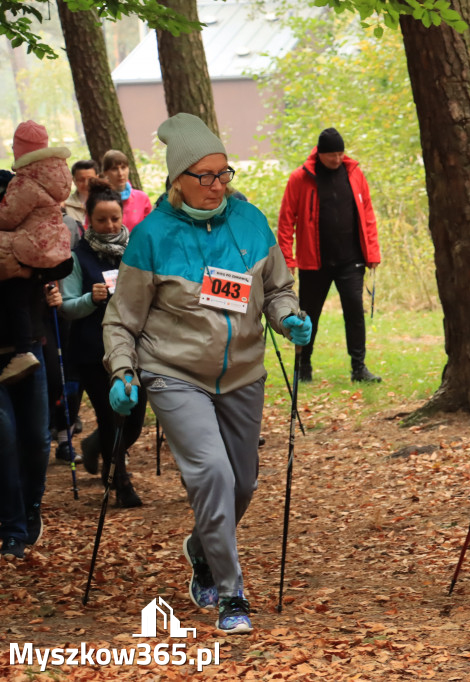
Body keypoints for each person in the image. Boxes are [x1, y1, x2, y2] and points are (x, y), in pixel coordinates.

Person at [103, 113, 311, 633]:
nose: (219, 185)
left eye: (224, 174)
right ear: (179, 179)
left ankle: (201, 546)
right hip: (174, 372)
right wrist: (122, 372)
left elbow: (278, 288)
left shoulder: (249, 221)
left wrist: (287, 318)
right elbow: (122, 317)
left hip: (243, 372)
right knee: (212, 475)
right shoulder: (151, 236)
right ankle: (230, 591)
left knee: (241, 482)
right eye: (206, 176)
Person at [60, 177, 144, 507]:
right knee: (111, 417)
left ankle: (96, 446)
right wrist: (90, 299)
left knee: (134, 420)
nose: (109, 226)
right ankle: (120, 482)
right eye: (101, 220)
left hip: (135, 348)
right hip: (94, 348)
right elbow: (66, 306)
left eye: (114, 218)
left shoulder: (135, 253)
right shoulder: (78, 257)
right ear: (88, 220)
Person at [277, 128, 382, 383]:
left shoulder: (354, 174)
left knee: (354, 312)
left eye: (340, 153)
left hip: (351, 259)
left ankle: (359, 368)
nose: (337, 158)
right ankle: (304, 366)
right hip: (314, 261)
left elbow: (367, 214)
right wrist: (287, 259)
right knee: (309, 315)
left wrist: (373, 251)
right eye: (332, 154)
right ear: (320, 154)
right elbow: (285, 221)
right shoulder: (300, 178)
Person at [1, 250, 72, 559]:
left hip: (31, 345)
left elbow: (63, 260)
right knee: (4, 439)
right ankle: (13, 528)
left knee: (37, 439)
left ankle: (31, 507)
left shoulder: (24, 209)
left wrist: (32, 271)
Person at [0, 120, 72, 385]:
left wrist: (23, 270)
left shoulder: (18, 183)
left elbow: (7, 217)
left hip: (33, 248)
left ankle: (22, 351)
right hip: (52, 242)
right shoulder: (52, 176)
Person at [101, 149, 151, 232]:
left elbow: (150, 229)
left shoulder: (142, 198)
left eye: (123, 168)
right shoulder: (99, 200)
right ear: (105, 172)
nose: (120, 173)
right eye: (114, 169)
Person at [64, 159, 99, 231]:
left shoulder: (107, 202)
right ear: (74, 180)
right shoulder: (66, 206)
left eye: (90, 179)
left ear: (97, 178)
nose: (86, 184)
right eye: (81, 180)